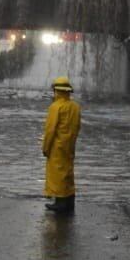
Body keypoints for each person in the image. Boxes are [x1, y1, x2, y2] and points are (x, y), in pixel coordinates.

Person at [41, 76, 81, 214]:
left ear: (57, 91)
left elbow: (50, 130)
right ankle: (70, 201)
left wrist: (45, 147)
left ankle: (60, 203)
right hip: (69, 145)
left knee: (57, 175)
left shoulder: (55, 107)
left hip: (57, 147)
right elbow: (77, 127)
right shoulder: (75, 107)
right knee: (68, 173)